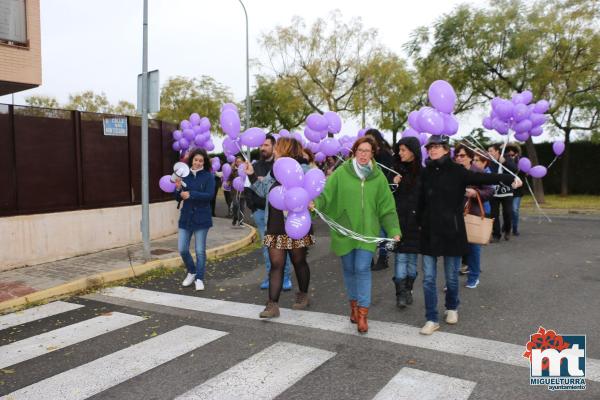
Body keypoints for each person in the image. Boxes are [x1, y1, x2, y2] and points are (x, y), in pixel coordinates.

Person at [418, 135, 522, 335]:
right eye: (431, 147)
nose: (433, 150)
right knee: (428, 278)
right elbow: (420, 200)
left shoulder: (458, 171)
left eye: (437, 147)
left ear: (446, 150)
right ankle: (431, 318)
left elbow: (483, 178)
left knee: (451, 277)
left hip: (453, 231)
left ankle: (452, 307)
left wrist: (509, 177)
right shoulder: (426, 173)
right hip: (430, 232)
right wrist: (418, 224)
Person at [312, 136, 401, 333]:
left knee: (362, 268)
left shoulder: (378, 178)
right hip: (344, 231)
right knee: (349, 269)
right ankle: (353, 307)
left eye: (367, 151)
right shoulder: (341, 173)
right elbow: (326, 195)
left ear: (372, 153)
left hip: (367, 233)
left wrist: (394, 230)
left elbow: (387, 208)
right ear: (354, 152)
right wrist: (314, 205)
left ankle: (362, 314)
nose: (363, 154)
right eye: (360, 150)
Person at [247, 137, 315, 319]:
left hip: (296, 225)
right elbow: (262, 190)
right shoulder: (274, 171)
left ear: (285, 150)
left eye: (277, 147)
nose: (274, 150)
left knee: (298, 261)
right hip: (276, 224)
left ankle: (303, 295)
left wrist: (311, 202)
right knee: (276, 265)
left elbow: (314, 191)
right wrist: (251, 174)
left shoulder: (304, 169)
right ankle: (272, 305)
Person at [245, 135, 293, 291]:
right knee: (268, 249)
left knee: (286, 249)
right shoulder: (270, 171)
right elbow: (261, 190)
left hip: (288, 218)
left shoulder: (292, 168)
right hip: (267, 216)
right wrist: (252, 174)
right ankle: (272, 278)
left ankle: (285, 278)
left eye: (267, 145)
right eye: (261, 145)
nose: (263, 148)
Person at [453, 144, 494, 289]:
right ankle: (452, 282)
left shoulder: (478, 173)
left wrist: (475, 193)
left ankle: (474, 276)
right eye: (457, 155)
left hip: (473, 215)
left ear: (470, 157)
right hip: (454, 215)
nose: (459, 158)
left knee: (473, 248)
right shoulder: (452, 172)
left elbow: (490, 191)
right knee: (454, 250)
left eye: (462, 155)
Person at [175, 148, 215, 291]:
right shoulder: (184, 175)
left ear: (204, 162)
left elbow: (209, 196)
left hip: (202, 218)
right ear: (191, 160)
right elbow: (177, 197)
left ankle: (199, 278)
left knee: (199, 251)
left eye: (201, 160)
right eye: (195, 160)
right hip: (186, 217)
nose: (198, 163)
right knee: (182, 249)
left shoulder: (209, 177)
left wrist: (191, 194)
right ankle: (191, 271)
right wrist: (179, 189)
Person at [391, 137, 422, 308]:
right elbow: (386, 195)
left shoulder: (422, 172)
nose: (400, 153)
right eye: (399, 150)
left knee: (412, 260)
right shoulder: (394, 170)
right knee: (401, 258)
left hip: (416, 223)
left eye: (404, 150)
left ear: (413, 151)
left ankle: (408, 288)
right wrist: (393, 184)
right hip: (399, 221)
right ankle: (400, 293)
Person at [365, 128, 395, 271]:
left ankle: (383, 257)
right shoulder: (365, 155)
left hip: (382, 195)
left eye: (371, 139)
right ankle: (368, 258)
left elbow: (389, 175)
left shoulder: (384, 155)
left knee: (382, 229)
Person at [487, 143, 518, 241]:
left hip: (507, 192)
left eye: (491, 151)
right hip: (494, 192)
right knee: (494, 214)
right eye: (488, 151)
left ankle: (507, 230)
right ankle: (496, 234)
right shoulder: (489, 162)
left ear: (497, 151)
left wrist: (504, 162)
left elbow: (515, 169)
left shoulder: (507, 158)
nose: (489, 153)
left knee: (508, 213)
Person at [506, 143, 524, 236]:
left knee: (514, 209)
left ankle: (515, 228)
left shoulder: (521, 162)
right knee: (507, 210)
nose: (510, 157)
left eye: (512, 155)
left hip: (517, 191)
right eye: (508, 155)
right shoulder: (504, 163)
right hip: (507, 190)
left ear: (517, 154)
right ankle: (506, 226)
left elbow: (524, 175)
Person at [229, 156, 246, 226]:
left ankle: (241, 221)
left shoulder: (245, 170)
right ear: (235, 162)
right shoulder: (233, 170)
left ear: (242, 162)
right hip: (234, 192)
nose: (238, 163)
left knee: (242, 207)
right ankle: (235, 217)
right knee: (236, 205)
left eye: (240, 161)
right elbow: (229, 179)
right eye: (237, 161)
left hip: (243, 192)